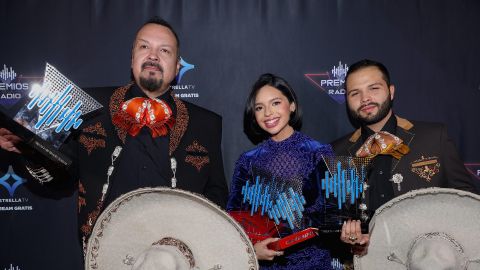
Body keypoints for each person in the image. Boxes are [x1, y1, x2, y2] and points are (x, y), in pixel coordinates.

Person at [0, 17, 228, 251]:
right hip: (105, 252)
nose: (153, 55)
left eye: (164, 50)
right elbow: (61, 178)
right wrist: (29, 148)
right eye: (144, 46)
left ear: (178, 66)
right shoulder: (86, 106)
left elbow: (216, 196)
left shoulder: (206, 124)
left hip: (177, 256)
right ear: (132, 59)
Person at [331, 59, 478, 257]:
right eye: (355, 93)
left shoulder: (434, 137)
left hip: (431, 259)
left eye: (373, 88)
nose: (365, 98)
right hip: (370, 261)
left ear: (391, 91)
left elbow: (466, 203)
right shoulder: (337, 151)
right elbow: (335, 219)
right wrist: (350, 239)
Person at [227, 73, 335, 269]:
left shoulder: (318, 153)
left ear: (292, 105)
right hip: (266, 264)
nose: (268, 113)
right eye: (259, 107)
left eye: (275, 103)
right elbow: (234, 218)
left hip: (312, 263)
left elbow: (332, 215)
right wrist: (251, 248)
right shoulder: (247, 161)